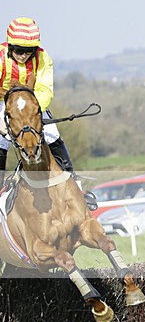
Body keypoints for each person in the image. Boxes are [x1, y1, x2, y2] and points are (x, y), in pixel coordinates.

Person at [0, 17, 96, 208]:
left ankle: (76, 188)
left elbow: (44, 90)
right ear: (10, 46)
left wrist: (32, 114)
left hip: (31, 103)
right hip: (2, 102)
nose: (23, 55)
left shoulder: (43, 58)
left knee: (53, 135)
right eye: (19, 50)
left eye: (29, 51)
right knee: (1, 141)